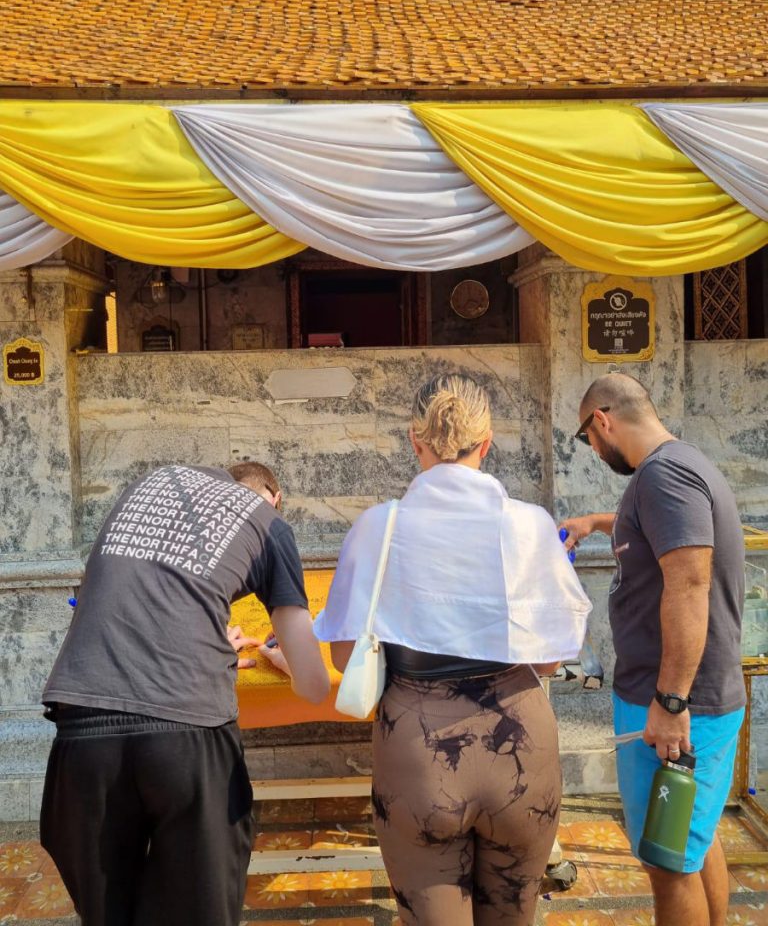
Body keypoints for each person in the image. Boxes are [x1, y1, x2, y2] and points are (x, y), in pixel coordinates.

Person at [313, 374, 592, 926]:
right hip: (519, 743)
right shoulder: (528, 525)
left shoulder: (379, 527)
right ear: (486, 444)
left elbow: (345, 658)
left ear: (414, 440)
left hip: (417, 749)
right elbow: (551, 658)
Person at [40, 461, 329, 926]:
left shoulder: (150, 485)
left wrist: (210, 641)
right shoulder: (269, 524)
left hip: (81, 730)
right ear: (272, 496)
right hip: (185, 735)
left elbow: (144, 599)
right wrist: (281, 658)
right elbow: (314, 686)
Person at [559, 373, 746, 926]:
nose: (593, 450)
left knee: (667, 864)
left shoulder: (663, 478)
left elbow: (688, 583)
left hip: (679, 706)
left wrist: (670, 702)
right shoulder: (677, 468)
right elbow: (666, 531)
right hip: (692, 699)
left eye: (588, 439)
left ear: (603, 420)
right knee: (695, 841)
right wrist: (596, 522)